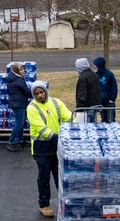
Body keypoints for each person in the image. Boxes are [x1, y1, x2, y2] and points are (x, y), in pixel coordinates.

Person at [26, 81, 72, 218]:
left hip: (56, 147)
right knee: (44, 177)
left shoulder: (56, 103)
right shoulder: (32, 108)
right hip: (41, 149)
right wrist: (59, 138)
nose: (40, 95)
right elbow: (41, 128)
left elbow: (68, 117)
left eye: (42, 92)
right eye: (37, 94)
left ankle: (63, 202)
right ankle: (44, 205)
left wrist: (73, 129)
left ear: (46, 91)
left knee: (60, 176)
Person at [6, 62, 31, 152]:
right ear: (17, 71)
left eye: (23, 69)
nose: (23, 71)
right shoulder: (19, 80)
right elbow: (27, 91)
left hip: (15, 103)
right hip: (19, 104)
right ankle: (11, 142)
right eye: (20, 69)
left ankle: (21, 140)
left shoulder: (11, 78)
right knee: (19, 123)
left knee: (21, 122)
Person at [74, 58, 101, 122]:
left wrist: (79, 109)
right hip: (94, 106)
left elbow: (82, 95)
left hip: (86, 108)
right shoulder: (94, 74)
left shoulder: (83, 78)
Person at [93, 56, 118, 123]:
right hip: (100, 101)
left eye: (95, 65)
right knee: (103, 119)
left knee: (110, 120)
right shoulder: (95, 75)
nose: (94, 66)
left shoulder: (109, 74)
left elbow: (114, 86)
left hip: (109, 101)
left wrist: (112, 98)